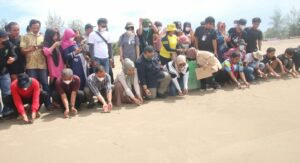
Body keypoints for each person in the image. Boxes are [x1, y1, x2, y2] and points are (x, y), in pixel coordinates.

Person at [20, 19, 51, 108]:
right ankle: (34, 106)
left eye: (37, 27)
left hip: (42, 65)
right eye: (34, 27)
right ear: (30, 27)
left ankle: (48, 104)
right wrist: (30, 49)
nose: (36, 29)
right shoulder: (25, 37)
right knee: (33, 85)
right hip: (31, 65)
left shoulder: (43, 37)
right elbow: (22, 51)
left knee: (45, 85)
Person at [0, 30, 17, 118]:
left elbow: (14, 55)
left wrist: (13, 59)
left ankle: (7, 111)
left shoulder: (8, 44)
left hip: (4, 72)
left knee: (7, 92)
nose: (7, 38)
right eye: (4, 37)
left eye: (7, 36)